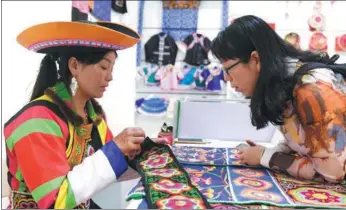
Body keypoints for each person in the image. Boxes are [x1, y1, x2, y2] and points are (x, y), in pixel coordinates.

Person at [4, 21, 168, 209]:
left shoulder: (94, 117)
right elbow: (56, 200)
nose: (110, 77)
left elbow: (103, 171)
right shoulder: (36, 122)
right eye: (104, 67)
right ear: (74, 66)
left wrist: (141, 152)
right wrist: (115, 148)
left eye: (112, 69)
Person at [211, 15, 346, 183]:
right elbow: (304, 138)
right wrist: (274, 151)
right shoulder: (285, 84)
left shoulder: (311, 90)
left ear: (255, 59)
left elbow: (332, 173)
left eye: (228, 69)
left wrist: (267, 157)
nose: (226, 78)